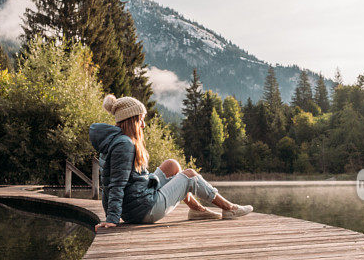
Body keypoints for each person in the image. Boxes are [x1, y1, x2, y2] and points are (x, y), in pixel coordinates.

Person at [89, 94, 253, 231]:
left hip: (137, 200)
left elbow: (118, 180)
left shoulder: (117, 141)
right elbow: (116, 184)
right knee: (189, 175)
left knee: (172, 165)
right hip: (144, 210)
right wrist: (112, 218)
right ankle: (229, 208)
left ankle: (196, 210)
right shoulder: (124, 145)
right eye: (141, 120)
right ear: (131, 121)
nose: (144, 125)